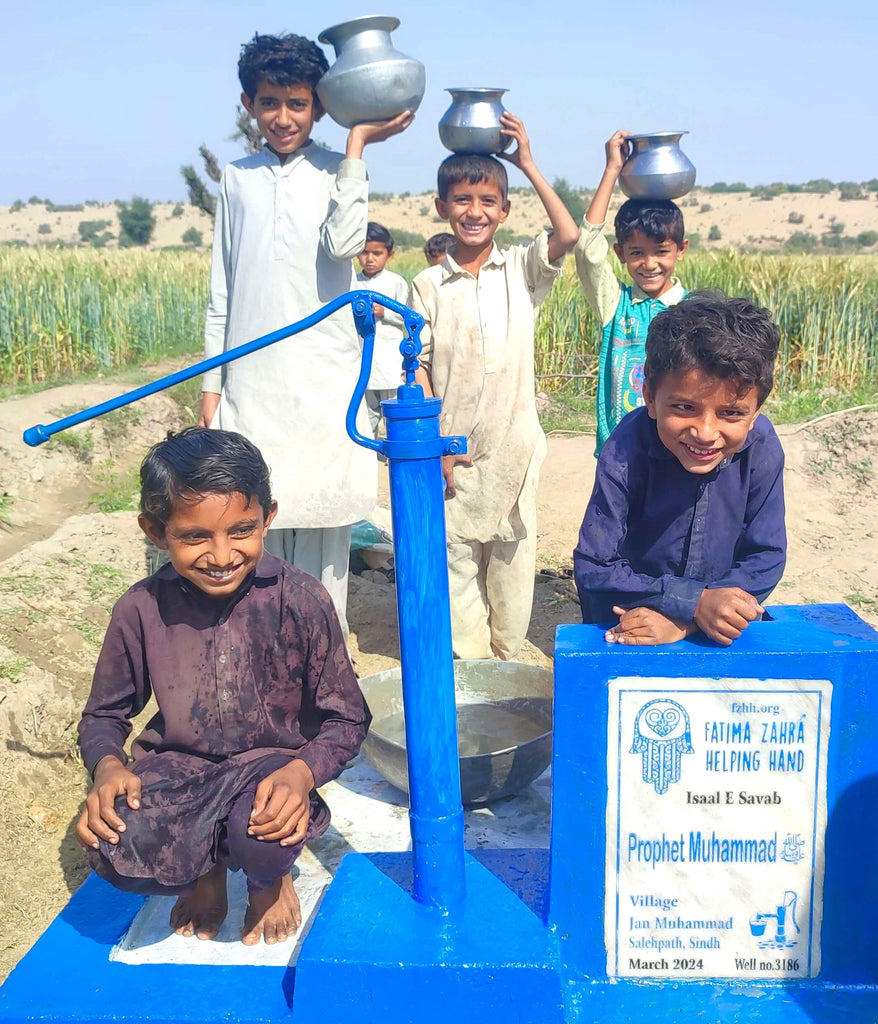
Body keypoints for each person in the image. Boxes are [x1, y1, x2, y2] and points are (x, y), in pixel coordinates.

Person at [75, 428, 370, 945]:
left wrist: (303, 774)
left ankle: (266, 882)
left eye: (241, 530)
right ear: (154, 530)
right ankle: (204, 875)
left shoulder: (301, 599)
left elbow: (347, 717)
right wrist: (108, 768)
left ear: (268, 518)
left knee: (262, 826)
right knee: (112, 836)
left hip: (271, 766)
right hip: (180, 769)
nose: (221, 554)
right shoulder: (141, 608)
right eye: (194, 536)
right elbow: (104, 715)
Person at [198, 32, 412, 633]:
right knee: (251, 523)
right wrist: (212, 388)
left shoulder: (336, 169)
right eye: (270, 103)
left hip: (324, 377)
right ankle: (260, 662)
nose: (283, 117)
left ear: (319, 104)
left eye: (297, 103)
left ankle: (321, 667)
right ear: (249, 104)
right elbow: (223, 289)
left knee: (323, 538)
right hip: (252, 381)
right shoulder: (237, 179)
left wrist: (357, 148)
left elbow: (346, 245)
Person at [410, 113, 579, 660]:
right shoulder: (428, 283)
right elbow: (417, 364)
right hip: (454, 449)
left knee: (511, 562)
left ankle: (506, 658)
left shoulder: (520, 269)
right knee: (456, 557)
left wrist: (524, 161)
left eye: (487, 202)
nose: (474, 212)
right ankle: (472, 667)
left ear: (504, 212)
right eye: (462, 200)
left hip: (515, 445)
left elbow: (570, 234)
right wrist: (435, 442)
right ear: (442, 208)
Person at [573, 295, 786, 647]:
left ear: (756, 413)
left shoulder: (761, 448)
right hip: (627, 621)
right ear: (650, 398)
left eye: (731, 413)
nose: (705, 432)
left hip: (718, 627)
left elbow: (765, 556)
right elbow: (594, 566)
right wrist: (695, 603)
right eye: (685, 407)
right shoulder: (626, 448)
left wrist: (693, 617)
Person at [575, 129, 689, 452]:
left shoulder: (691, 310)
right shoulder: (615, 305)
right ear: (620, 253)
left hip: (675, 455)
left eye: (661, 251)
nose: (649, 264)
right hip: (620, 452)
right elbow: (586, 250)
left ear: (681, 249)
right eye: (637, 253)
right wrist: (612, 170)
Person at [356, 222, 410, 437]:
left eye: (377, 253)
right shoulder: (353, 282)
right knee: (365, 416)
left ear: (390, 255)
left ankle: (393, 455)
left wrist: (384, 312)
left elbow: (409, 317)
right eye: (364, 252)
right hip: (363, 363)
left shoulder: (395, 282)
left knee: (393, 414)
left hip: (390, 364)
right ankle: (367, 457)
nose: (370, 259)